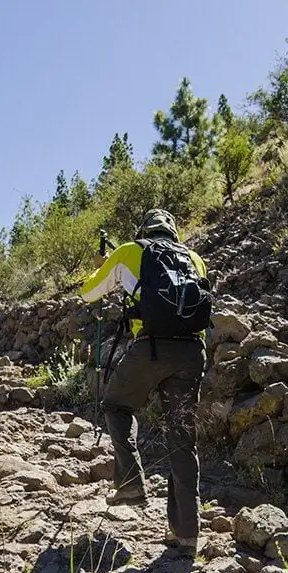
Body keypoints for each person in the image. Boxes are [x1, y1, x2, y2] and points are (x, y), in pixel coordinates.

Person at [81, 209, 208, 549]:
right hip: (192, 353)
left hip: (150, 348)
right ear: (173, 232)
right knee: (182, 438)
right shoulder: (194, 259)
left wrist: (102, 265)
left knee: (117, 405)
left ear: (143, 230)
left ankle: (130, 482)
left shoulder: (129, 251)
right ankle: (187, 533)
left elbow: (89, 293)